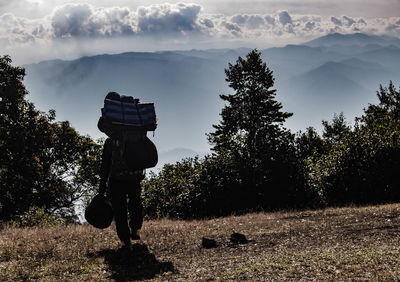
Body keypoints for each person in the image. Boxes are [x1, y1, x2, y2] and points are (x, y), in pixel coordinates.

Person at [98, 132, 145, 248]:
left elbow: (105, 164)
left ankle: (126, 240)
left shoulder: (110, 142)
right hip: (134, 178)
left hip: (117, 179)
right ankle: (135, 229)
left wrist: (102, 184)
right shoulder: (137, 138)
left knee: (120, 210)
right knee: (135, 203)